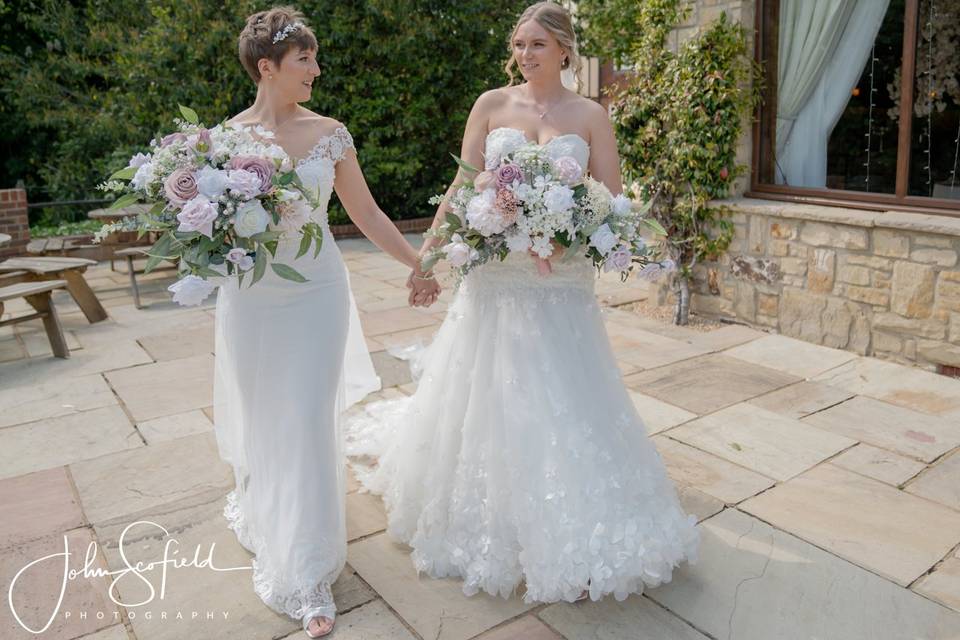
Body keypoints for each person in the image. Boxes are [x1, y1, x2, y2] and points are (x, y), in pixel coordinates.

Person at [346, 0, 699, 606]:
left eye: (537, 44)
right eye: (519, 44)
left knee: (564, 390)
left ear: (564, 49)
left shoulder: (590, 114)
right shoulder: (491, 104)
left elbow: (611, 199)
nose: (525, 55)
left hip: (560, 281)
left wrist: (580, 233)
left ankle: (575, 512)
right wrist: (428, 256)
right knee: (492, 388)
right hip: (497, 277)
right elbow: (463, 183)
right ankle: (488, 513)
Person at [214, 6, 440, 638]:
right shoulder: (224, 141)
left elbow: (364, 213)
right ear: (268, 68)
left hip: (314, 291)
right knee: (266, 416)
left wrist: (418, 263)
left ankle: (309, 570)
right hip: (252, 297)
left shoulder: (330, 133)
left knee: (309, 419)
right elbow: (212, 226)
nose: (316, 69)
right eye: (304, 59)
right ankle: (272, 516)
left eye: (314, 57)